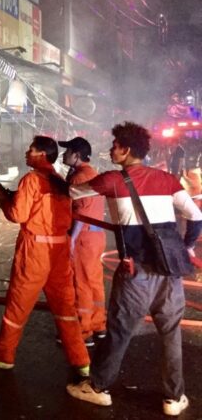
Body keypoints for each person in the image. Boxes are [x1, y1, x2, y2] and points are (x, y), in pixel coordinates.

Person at [66, 122, 202, 416]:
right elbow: (196, 216)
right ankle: (173, 398)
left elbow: (73, 194)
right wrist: (188, 247)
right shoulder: (166, 179)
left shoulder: (113, 180)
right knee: (170, 333)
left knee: (118, 331)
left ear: (126, 150)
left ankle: (98, 388)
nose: (111, 149)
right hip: (169, 273)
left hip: (135, 274)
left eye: (115, 145)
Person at [0, 136, 90, 376]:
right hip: (58, 252)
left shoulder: (32, 179)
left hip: (35, 253)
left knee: (18, 307)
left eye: (31, 149)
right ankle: (81, 360)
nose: (26, 152)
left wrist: (1, 198)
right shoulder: (58, 181)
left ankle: (2, 354)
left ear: (41, 154)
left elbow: (18, 214)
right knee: (66, 309)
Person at [58, 137, 106, 346]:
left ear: (77, 155)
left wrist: (72, 239)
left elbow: (81, 210)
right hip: (96, 235)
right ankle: (98, 325)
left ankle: (83, 330)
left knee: (81, 283)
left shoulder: (79, 178)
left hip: (83, 237)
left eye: (67, 151)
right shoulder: (91, 173)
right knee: (94, 281)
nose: (63, 155)